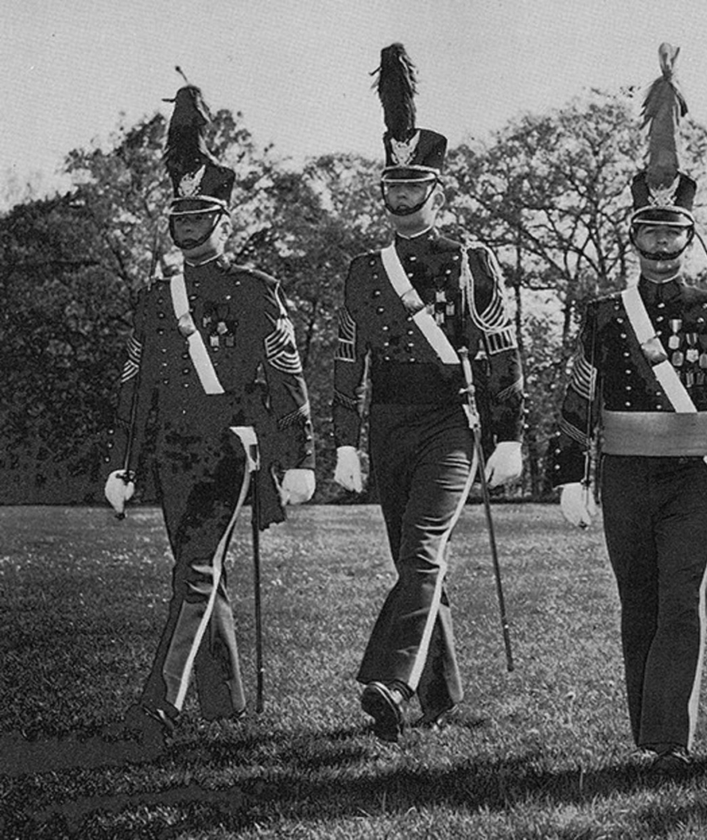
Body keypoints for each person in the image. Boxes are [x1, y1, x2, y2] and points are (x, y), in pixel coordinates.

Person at [554, 44, 707, 772]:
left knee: (682, 601)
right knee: (638, 603)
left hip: (687, 476)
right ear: (635, 237)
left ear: (689, 237)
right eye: (652, 233)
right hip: (623, 474)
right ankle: (649, 732)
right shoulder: (604, 313)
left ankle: (669, 739)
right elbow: (580, 393)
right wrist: (567, 475)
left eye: (674, 234)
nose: (664, 245)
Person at [102, 80, 315, 751]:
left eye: (202, 218)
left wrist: (298, 456)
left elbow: (287, 378)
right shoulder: (152, 297)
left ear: (225, 221)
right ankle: (224, 703)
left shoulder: (255, 291)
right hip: (169, 450)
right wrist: (121, 463)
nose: (189, 227)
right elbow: (135, 388)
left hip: (227, 447)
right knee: (200, 570)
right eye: (181, 218)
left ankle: (159, 704)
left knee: (193, 570)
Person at [332, 44, 525, 742]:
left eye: (415, 183)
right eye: (394, 182)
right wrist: (344, 445)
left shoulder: (470, 260)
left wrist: (508, 435)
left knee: (423, 553)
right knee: (413, 561)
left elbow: (497, 347)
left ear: (435, 189)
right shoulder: (363, 270)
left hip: (450, 421)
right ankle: (439, 696)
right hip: (387, 422)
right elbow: (346, 360)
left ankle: (388, 679)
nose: (403, 193)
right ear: (383, 188)